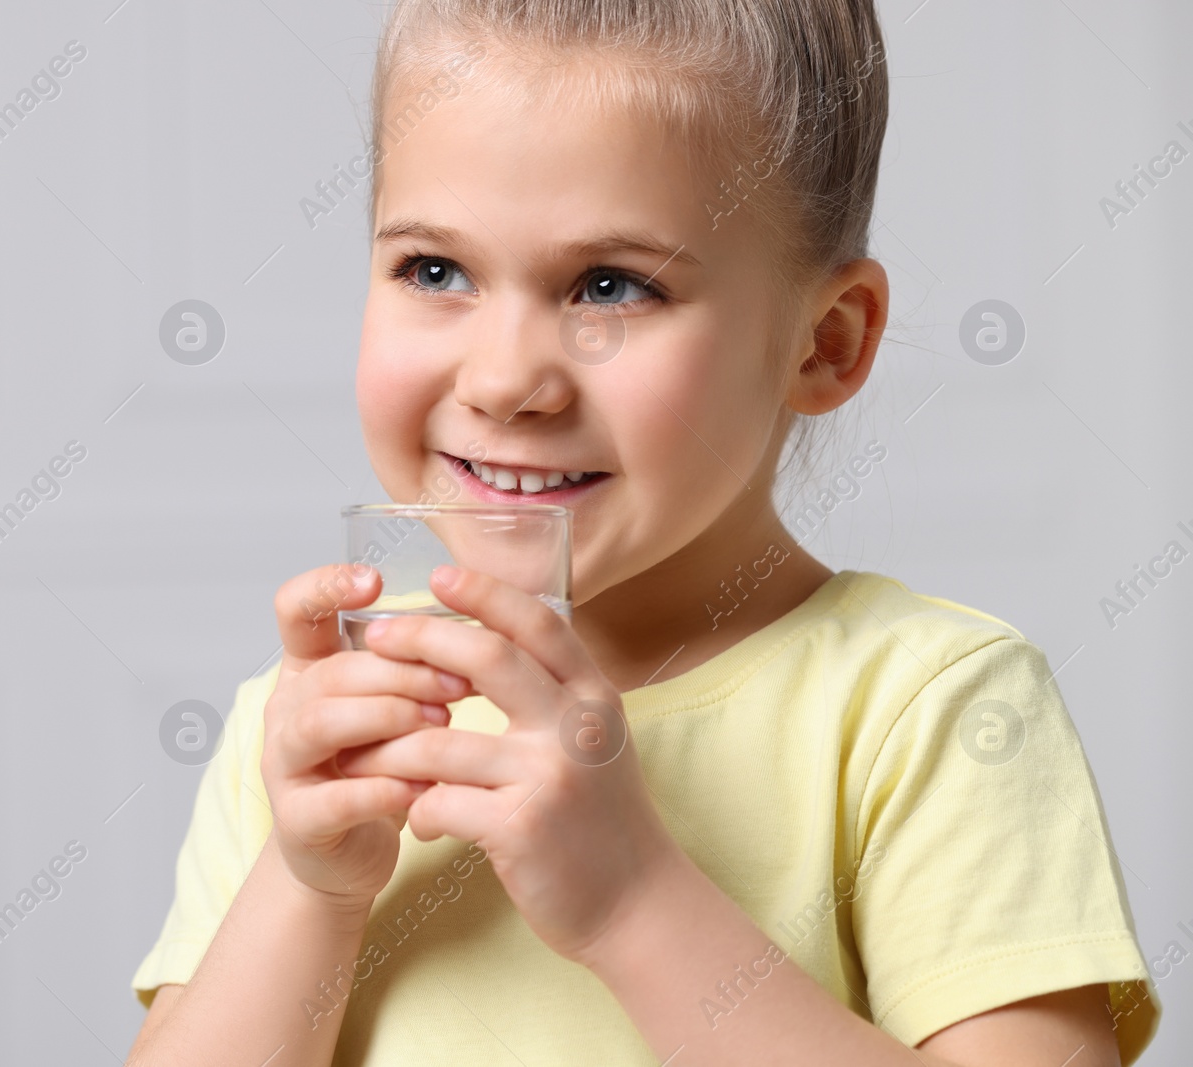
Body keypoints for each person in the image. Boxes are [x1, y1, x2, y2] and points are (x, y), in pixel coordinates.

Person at [127, 1, 1161, 1063]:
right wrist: (309, 886)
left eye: (610, 286)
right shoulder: (320, 721)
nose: (503, 379)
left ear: (824, 343)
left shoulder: (924, 711)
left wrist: (633, 905)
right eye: (434, 270)